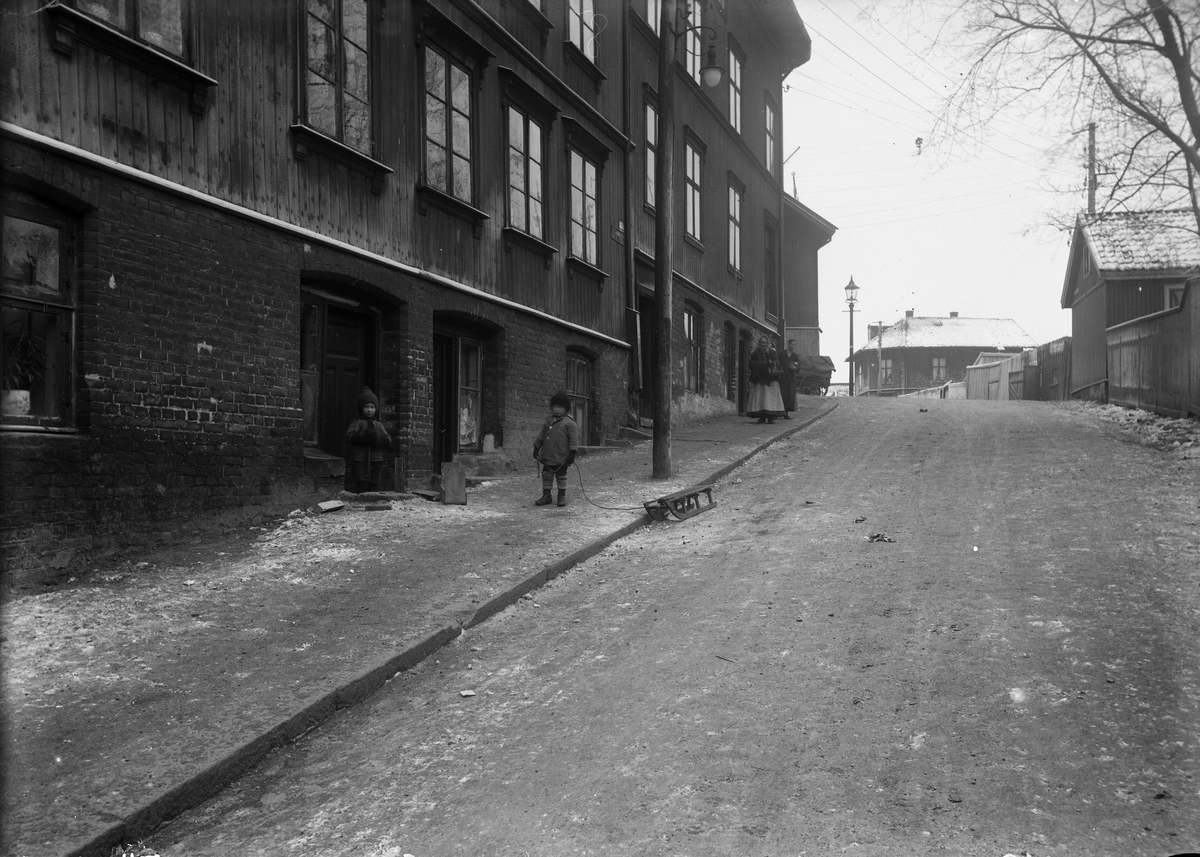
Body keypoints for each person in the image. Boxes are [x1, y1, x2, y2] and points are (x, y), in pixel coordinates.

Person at [533, 390, 579, 507]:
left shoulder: (569, 423)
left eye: (560, 407)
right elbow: (542, 435)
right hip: (548, 455)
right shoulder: (548, 421)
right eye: (555, 407)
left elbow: (574, 440)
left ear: (566, 409)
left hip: (561, 457)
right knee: (546, 475)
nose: (557, 409)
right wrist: (537, 447)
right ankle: (546, 495)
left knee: (561, 476)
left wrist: (572, 453)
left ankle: (561, 495)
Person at [345, 386, 391, 493]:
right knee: (361, 481)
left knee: (374, 481)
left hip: (376, 458)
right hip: (360, 457)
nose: (369, 410)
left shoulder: (378, 424)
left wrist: (382, 442)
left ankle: (374, 499)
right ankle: (361, 498)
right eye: (366, 407)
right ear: (361, 408)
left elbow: (387, 437)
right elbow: (349, 436)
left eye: (372, 407)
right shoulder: (357, 422)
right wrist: (363, 439)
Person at [747, 336, 786, 424]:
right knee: (760, 398)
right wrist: (763, 364)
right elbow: (751, 364)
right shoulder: (755, 353)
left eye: (765, 343)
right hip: (759, 378)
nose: (763, 344)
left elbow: (776, 362)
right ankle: (761, 417)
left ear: (768, 343)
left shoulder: (772, 352)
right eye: (761, 343)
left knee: (770, 398)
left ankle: (771, 417)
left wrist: (772, 363)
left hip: (770, 379)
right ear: (759, 343)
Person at [779, 338, 802, 418]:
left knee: (789, 395)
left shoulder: (795, 356)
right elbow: (778, 364)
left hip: (790, 378)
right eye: (792, 344)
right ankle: (780, 411)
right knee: (782, 394)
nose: (793, 346)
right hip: (782, 377)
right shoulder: (782, 354)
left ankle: (786, 412)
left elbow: (798, 367)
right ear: (788, 344)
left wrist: (795, 368)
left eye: (794, 345)